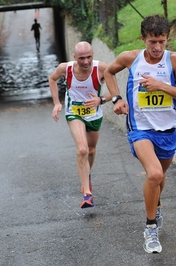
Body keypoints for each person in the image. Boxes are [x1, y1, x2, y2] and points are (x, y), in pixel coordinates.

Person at [104, 14, 176, 253]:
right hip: (140, 129)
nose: (157, 47)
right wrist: (117, 98)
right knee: (154, 174)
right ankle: (150, 227)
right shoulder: (130, 58)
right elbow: (108, 73)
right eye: (152, 41)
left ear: (167, 40)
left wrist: (161, 85)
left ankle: (156, 205)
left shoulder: (174, 61)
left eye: (162, 42)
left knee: (160, 177)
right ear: (143, 38)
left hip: (167, 131)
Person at [49, 41, 110, 209]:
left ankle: (87, 175)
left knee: (91, 150)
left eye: (89, 57)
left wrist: (101, 99)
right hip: (74, 112)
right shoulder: (65, 68)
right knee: (82, 149)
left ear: (93, 55)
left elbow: (114, 92)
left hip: (94, 114)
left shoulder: (101, 68)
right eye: (81, 58)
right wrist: (56, 103)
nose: (86, 62)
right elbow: (52, 79)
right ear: (74, 57)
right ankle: (87, 194)